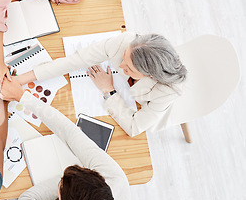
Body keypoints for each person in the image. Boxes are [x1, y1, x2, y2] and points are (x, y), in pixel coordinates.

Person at [0, 76, 130, 200]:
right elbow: (72, 133)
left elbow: (28, 198)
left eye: (60, 187)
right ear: (101, 178)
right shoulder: (117, 180)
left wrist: (63, 181)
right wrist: (22, 96)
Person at [14, 32, 187, 137]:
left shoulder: (167, 91)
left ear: (150, 75)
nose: (120, 66)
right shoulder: (125, 42)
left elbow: (134, 127)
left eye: (129, 69)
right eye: (124, 57)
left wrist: (108, 90)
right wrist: (22, 79)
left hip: (142, 106)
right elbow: (75, 60)